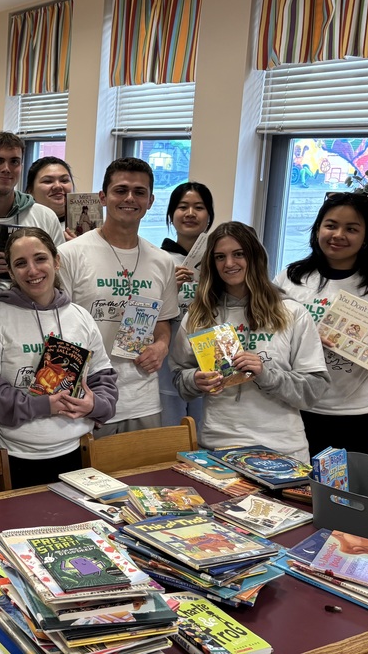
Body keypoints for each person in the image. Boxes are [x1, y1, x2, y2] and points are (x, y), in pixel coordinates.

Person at [0, 227, 117, 488]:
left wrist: (95, 405)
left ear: (56, 261)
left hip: (78, 452)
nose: (33, 270)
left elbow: (103, 379)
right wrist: (43, 406)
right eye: (20, 263)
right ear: (12, 273)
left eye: (40, 258)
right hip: (12, 457)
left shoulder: (80, 317)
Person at [170, 222, 329, 462]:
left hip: (282, 451)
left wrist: (266, 374)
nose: (229, 264)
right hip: (218, 447)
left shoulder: (291, 312)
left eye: (239, 254)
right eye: (220, 257)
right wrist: (195, 380)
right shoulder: (199, 315)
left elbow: (313, 390)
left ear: (255, 257)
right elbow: (178, 377)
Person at [56, 158, 178, 436]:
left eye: (139, 192)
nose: (130, 198)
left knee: (142, 478)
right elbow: (58, 325)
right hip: (88, 397)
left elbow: (164, 320)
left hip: (142, 400)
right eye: (120, 190)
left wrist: (161, 345)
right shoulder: (70, 254)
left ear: (150, 201)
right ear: (103, 197)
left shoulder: (162, 261)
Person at [275, 193, 368, 456]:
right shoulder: (291, 277)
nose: (338, 234)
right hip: (291, 404)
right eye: (331, 225)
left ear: (366, 237)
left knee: (339, 494)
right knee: (283, 491)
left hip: (352, 413)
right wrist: (304, 339)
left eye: (352, 229)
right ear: (318, 228)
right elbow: (266, 330)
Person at [0, 131, 64, 287]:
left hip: (32, 308)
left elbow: (60, 274)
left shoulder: (44, 216)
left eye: (14, 162)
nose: (6, 168)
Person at [158, 182, 215, 426]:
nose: (190, 213)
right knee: (170, 436)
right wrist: (171, 290)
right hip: (167, 361)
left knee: (206, 436)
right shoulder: (158, 259)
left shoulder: (221, 260)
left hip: (211, 358)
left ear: (209, 215)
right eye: (182, 207)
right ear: (171, 215)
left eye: (198, 207)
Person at [27, 156, 77, 242]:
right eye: (48, 181)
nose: (58, 186)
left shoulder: (91, 229)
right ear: (30, 190)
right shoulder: (22, 222)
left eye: (64, 180)